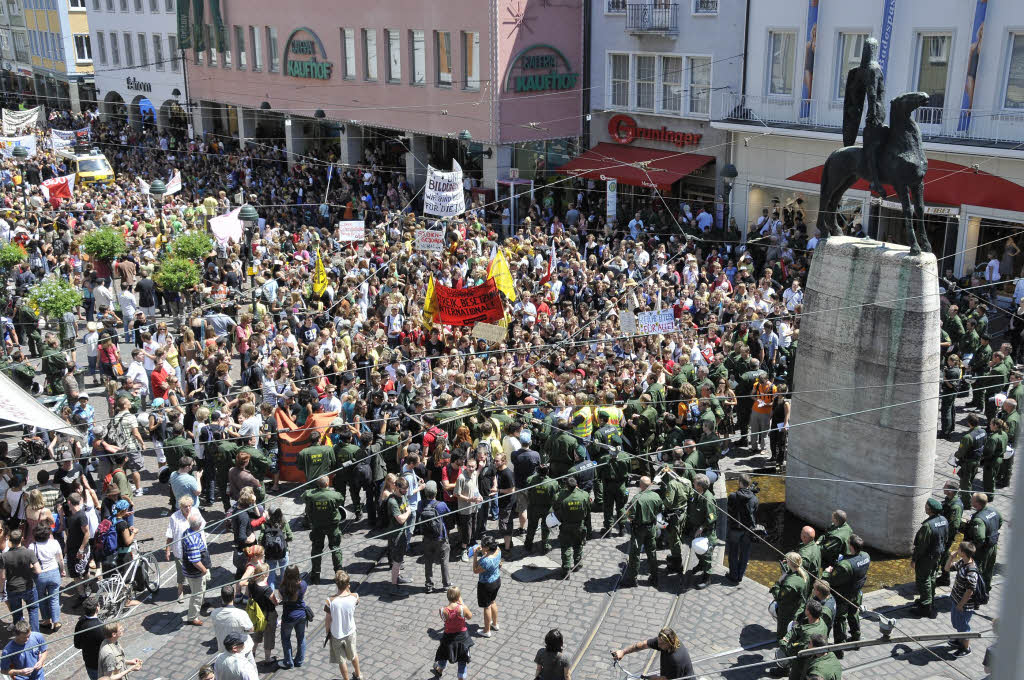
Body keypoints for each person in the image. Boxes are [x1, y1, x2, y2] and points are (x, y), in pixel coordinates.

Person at [825, 534, 869, 654]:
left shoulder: (845, 565)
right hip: (857, 592)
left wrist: (828, 572)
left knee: (840, 619)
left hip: (843, 596)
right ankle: (856, 637)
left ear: (851, 547)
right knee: (854, 613)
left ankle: (839, 647)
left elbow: (833, 580)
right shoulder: (866, 556)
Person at [911, 497, 948, 619]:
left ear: (930, 509)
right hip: (937, 554)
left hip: (927, 557)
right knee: (932, 577)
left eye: (926, 506)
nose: (925, 507)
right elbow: (946, 538)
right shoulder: (943, 520)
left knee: (923, 579)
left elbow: (921, 546)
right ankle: (929, 600)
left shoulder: (927, 526)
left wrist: (914, 559)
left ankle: (925, 606)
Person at [622, 475, 662, 587]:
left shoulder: (637, 498)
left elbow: (631, 516)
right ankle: (654, 577)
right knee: (652, 553)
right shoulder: (656, 496)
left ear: (640, 485)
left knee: (635, 554)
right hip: (651, 528)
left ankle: (632, 579)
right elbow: (660, 509)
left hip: (639, 529)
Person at [610, 628, 693, 680]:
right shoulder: (664, 643)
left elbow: (665, 679)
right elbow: (643, 644)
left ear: (669, 643)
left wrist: (652, 678)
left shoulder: (675, 660)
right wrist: (623, 652)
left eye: (661, 644)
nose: (658, 645)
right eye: (659, 641)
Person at [0, 529, 41, 631]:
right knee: (33, 610)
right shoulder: (29, 552)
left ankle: (22, 635)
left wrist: (1, 590)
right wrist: (29, 569)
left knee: (17, 613)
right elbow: (38, 570)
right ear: (22, 539)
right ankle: (35, 635)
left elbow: (2, 577)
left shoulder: (4, 556)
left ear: (10, 540)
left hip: (12, 589)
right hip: (29, 587)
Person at [944, 541, 981, 657]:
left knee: (963, 626)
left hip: (964, 605)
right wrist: (951, 557)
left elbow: (970, 591)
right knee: (957, 623)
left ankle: (966, 648)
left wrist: (961, 604)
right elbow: (947, 569)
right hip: (956, 599)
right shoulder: (962, 562)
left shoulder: (971, 571)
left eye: (959, 549)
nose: (957, 549)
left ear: (963, 553)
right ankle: (960, 639)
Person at [325, 570, 361, 680]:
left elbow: (328, 620)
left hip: (336, 634)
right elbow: (353, 598)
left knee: (342, 661)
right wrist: (348, 590)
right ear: (348, 585)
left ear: (336, 584)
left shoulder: (330, 601)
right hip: (350, 632)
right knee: (353, 654)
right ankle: (358, 675)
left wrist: (328, 632)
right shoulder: (355, 597)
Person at [432, 585, 473, 679]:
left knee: (444, 654)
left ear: (448, 596)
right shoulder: (462, 608)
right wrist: (462, 603)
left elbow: (445, 620)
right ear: (458, 596)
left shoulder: (442, 610)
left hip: (448, 637)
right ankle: (461, 677)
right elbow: (470, 616)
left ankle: (439, 669)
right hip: (462, 638)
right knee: (462, 660)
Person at [552, 476, 589, 579]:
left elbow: (555, 509)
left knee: (566, 547)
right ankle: (578, 564)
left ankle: (566, 569)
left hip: (565, 526)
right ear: (576, 485)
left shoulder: (559, 496)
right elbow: (588, 509)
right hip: (579, 525)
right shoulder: (584, 495)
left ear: (566, 486)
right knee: (578, 545)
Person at [962, 492, 1000, 589]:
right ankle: (986, 589)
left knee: (978, 571)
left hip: (982, 550)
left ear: (977, 504)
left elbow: (979, 539)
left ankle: (977, 593)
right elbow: (1000, 522)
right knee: (989, 569)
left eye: (972, 499)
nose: (970, 500)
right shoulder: (994, 510)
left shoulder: (978, 520)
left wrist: (970, 550)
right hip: (993, 545)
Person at [30, 524, 64, 632]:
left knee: (42, 598)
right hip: (54, 572)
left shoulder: (32, 546)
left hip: (40, 575)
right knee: (54, 598)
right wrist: (62, 570)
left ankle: (46, 620)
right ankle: (56, 622)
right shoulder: (54, 543)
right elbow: (60, 559)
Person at [685, 474, 717, 589]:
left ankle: (707, 577)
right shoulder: (697, 493)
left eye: (694, 483)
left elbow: (712, 518)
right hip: (695, 528)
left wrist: (702, 527)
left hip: (706, 532)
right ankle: (700, 565)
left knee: (706, 554)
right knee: (698, 550)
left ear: (700, 486)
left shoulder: (708, 499)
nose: (693, 484)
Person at [726, 473, 759, 584]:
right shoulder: (754, 498)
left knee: (733, 553)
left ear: (739, 482)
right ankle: (740, 575)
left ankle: (733, 575)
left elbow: (729, 511)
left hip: (735, 529)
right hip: (748, 530)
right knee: (745, 553)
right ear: (749, 484)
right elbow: (754, 512)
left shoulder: (732, 496)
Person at [419, 481, 452, 594]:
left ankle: (429, 585)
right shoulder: (441, 505)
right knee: (444, 561)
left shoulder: (420, 504)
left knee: (428, 561)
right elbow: (448, 513)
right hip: (441, 538)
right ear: (436, 492)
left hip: (427, 538)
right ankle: (446, 585)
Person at [211, 586, 255, 666]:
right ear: (234, 596)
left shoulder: (214, 613)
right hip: (241, 650)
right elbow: (251, 629)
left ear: (221, 597)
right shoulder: (241, 613)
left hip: (224, 650)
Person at [770, 552, 809, 642]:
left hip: (787, 610)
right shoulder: (804, 573)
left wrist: (778, 583)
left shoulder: (790, 584)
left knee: (783, 630)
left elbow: (779, 596)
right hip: (798, 606)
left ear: (790, 563)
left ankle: (782, 643)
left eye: (787, 560)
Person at [181, 513, 211, 626]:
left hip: (191, 571)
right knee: (196, 594)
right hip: (195, 572)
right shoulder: (193, 540)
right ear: (199, 525)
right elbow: (195, 560)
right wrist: (204, 570)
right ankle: (192, 617)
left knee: (199, 590)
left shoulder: (188, 532)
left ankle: (202, 603)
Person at [278, 565, 309, 669]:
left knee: (285, 639)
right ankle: (299, 661)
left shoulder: (282, 588)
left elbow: (280, 598)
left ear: (285, 575)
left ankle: (288, 662)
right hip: (301, 615)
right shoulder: (303, 585)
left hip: (288, 617)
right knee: (301, 638)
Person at [387, 476, 413, 595]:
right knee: (397, 561)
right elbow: (401, 519)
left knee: (400, 559)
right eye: (403, 490)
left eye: (406, 490)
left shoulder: (403, 496)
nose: (405, 492)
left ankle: (397, 578)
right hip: (396, 535)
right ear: (397, 487)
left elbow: (407, 508)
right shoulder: (392, 501)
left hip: (403, 533)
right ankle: (393, 586)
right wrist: (407, 512)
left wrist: (406, 512)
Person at [473, 535, 502, 637]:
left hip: (486, 585)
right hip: (497, 580)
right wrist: (483, 551)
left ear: (488, 547)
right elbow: (499, 563)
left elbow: (475, 570)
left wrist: (475, 555)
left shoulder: (486, 561)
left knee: (487, 607)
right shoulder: (498, 550)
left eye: (483, 545)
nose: (481, 546)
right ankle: (495, 624)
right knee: (493, 601)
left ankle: (486, 631)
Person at [74, 595, 105, 680]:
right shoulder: (101, 627)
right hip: (102, 664)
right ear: (97, 608)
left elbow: (77, 644)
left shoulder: (80, 623)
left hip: (89, 662)